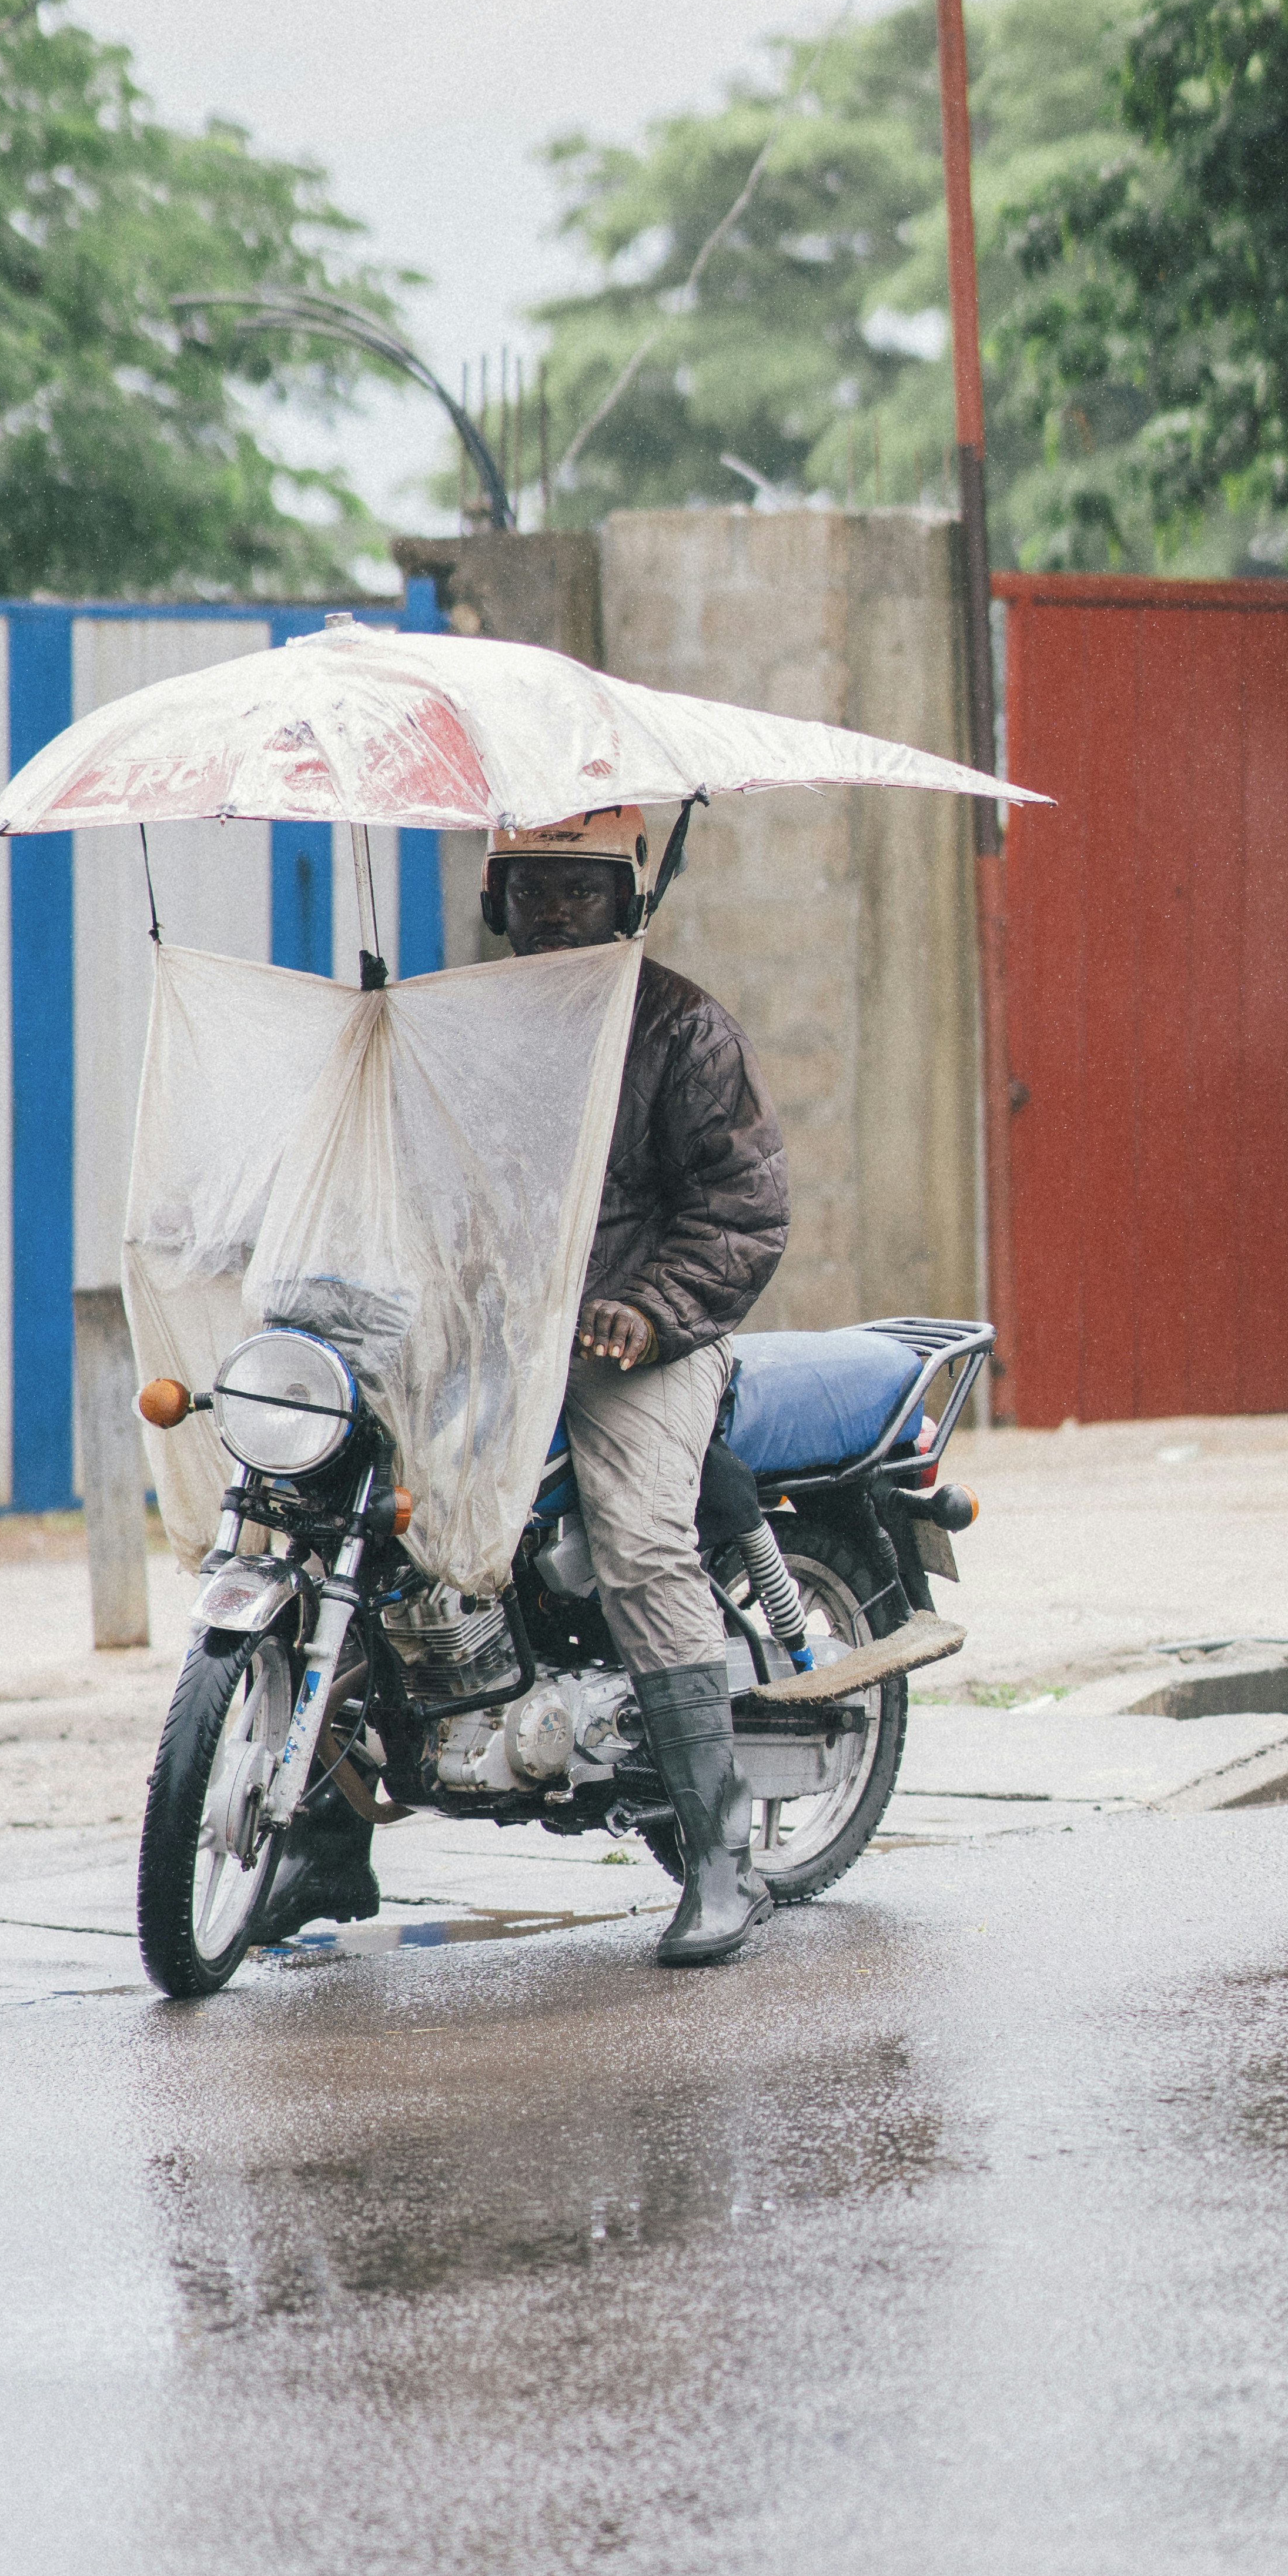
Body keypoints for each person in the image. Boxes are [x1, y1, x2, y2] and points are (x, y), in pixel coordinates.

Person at [493, 804, 792, 1964]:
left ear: (627, 896)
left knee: (642, 1540)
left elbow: (744, 1212)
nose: (553, 909)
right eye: (530, 887)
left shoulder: (682, 1029)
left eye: (577, 886)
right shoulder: (466, 1029)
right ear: (495, 902)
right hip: (496, 1336)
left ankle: (719, 1861)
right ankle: (324, 1836)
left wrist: (649, 1307)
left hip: (641, 1338)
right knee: (359, 1508)